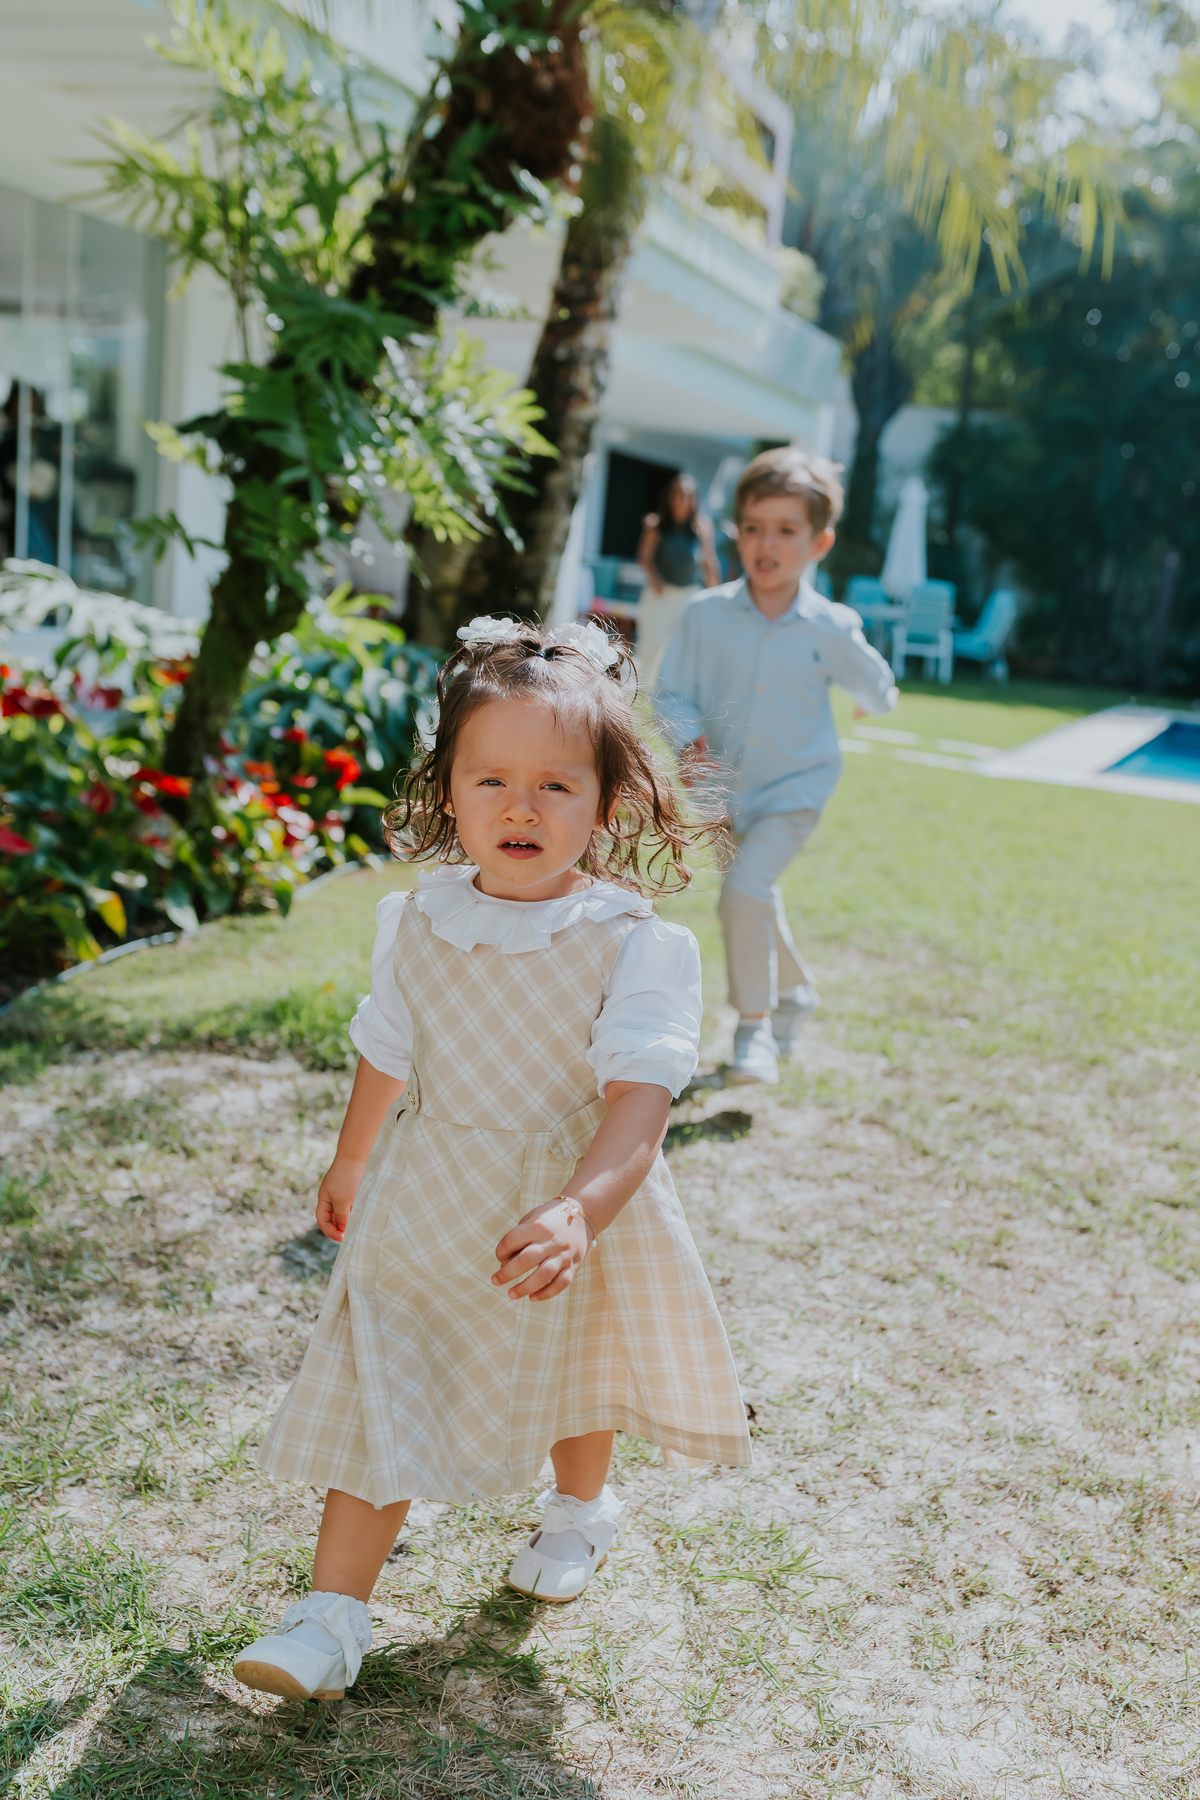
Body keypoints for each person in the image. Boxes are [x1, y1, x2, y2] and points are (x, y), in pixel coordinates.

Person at [233, 617, 751, 1704]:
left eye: (557, 786)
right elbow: (389, 1044)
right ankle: (330, 1620)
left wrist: (580, 1211)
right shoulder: (416, 917)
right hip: (422, 1203)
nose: (521, 808)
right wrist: (350, 1157)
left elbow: (640, 1101)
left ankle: (579, 1509)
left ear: (608, 802)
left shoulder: (633, 942)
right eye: (492, 779)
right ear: (449, 790)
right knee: (378, 1387)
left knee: (573, 1368)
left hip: (562, 1199)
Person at [654, 447, 898, 1088]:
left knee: (742, 894)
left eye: (786, 531)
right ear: (736, 531)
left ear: (819, 542)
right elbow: (671, 693)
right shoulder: (705, 615)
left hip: (798, 784)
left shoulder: (831, 627)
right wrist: (690, 744)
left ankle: (753, 1031)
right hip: (720, 788)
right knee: (752, 898)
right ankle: (797, 992)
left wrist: (869, 702)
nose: (768, 545)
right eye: (755, 527)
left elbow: (880, 689)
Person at [635, 474, 720, 692]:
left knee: (682, 648)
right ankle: (646, 690)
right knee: (652, 644)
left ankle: (673, 690)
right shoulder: (656, 524)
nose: (681, 499)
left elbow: (710, 563)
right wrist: (657, 580)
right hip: (660, 594)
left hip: (688, 595)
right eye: (678, 494)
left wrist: (717, 595)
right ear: (670, 496)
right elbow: (644, 557)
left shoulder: (702, 527)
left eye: (687, 495)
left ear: (694, 500)